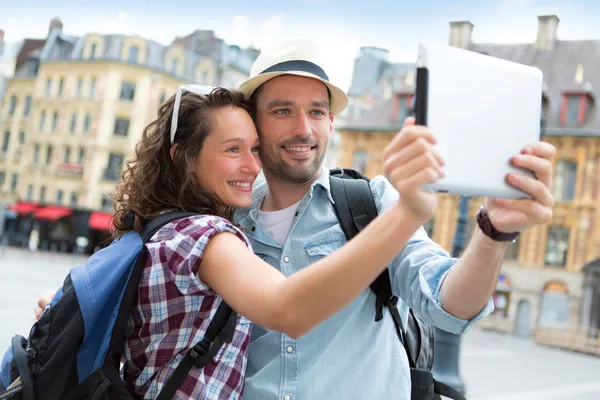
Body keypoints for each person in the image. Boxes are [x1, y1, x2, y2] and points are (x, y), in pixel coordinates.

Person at [36, 40, 556, 399]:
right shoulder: (220, 222)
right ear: (254, 119)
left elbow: (450, 306)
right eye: (282, 110)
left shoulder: (369, 203)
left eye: (317, 111)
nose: (303, 127)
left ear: (332, 121)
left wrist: (492, 233)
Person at [35, 85, 452, 399]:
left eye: (254, 148)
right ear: (183, 156)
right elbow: (287, 308)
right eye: (233, 149)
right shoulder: (204, 237)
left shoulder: (150, 230)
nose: (252, 166)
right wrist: (405, 216)